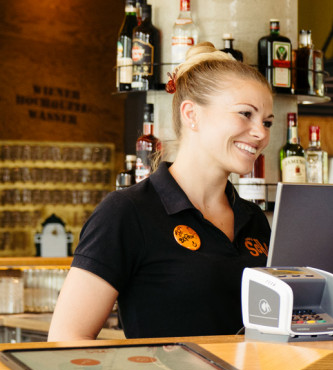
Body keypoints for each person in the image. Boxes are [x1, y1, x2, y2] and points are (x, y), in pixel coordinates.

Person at [49, 43, 274, 341]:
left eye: (267, 122)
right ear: (191, 114)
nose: (261, 133)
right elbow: (65, 341)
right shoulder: (128, 212)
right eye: (246, 114)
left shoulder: (253, 219)